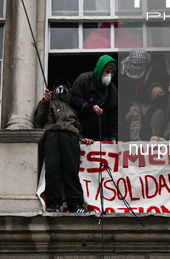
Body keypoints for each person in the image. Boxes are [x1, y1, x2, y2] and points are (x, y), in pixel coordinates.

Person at [35, 80, 93, 213]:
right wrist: (45, 102)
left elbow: (78, 128)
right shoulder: (47, 103)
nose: (62, 89)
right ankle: (54, 204)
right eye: (60, 86)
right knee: (53, 169)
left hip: (70, 138)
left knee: (71, 170)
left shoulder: (71, 108)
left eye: (66, 87)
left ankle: (76, 204)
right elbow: (39, 119)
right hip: (52, 136)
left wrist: (82, 139)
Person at [118, 48, 170, 141]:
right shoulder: (123, 72)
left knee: (152, 117)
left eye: (141, 64)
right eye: (135, 65)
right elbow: (120, 93)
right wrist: (129, 106)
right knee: (135, 114)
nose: (138, 67)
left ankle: (151, 139)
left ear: (146, 63)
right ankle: (136, 144)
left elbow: (167, 83)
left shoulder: (155, 68)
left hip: (150, 100)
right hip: (132, 101)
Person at [70, 55, 118, 141]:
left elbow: (113, 115)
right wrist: (89, 108)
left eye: (111, 72)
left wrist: (113, 137)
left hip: (101, 134)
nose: (109, 75)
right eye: (107, 71)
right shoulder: (83, 80)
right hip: (79, 132)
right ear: (100, 69)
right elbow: (74, 100)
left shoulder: (112, 90)